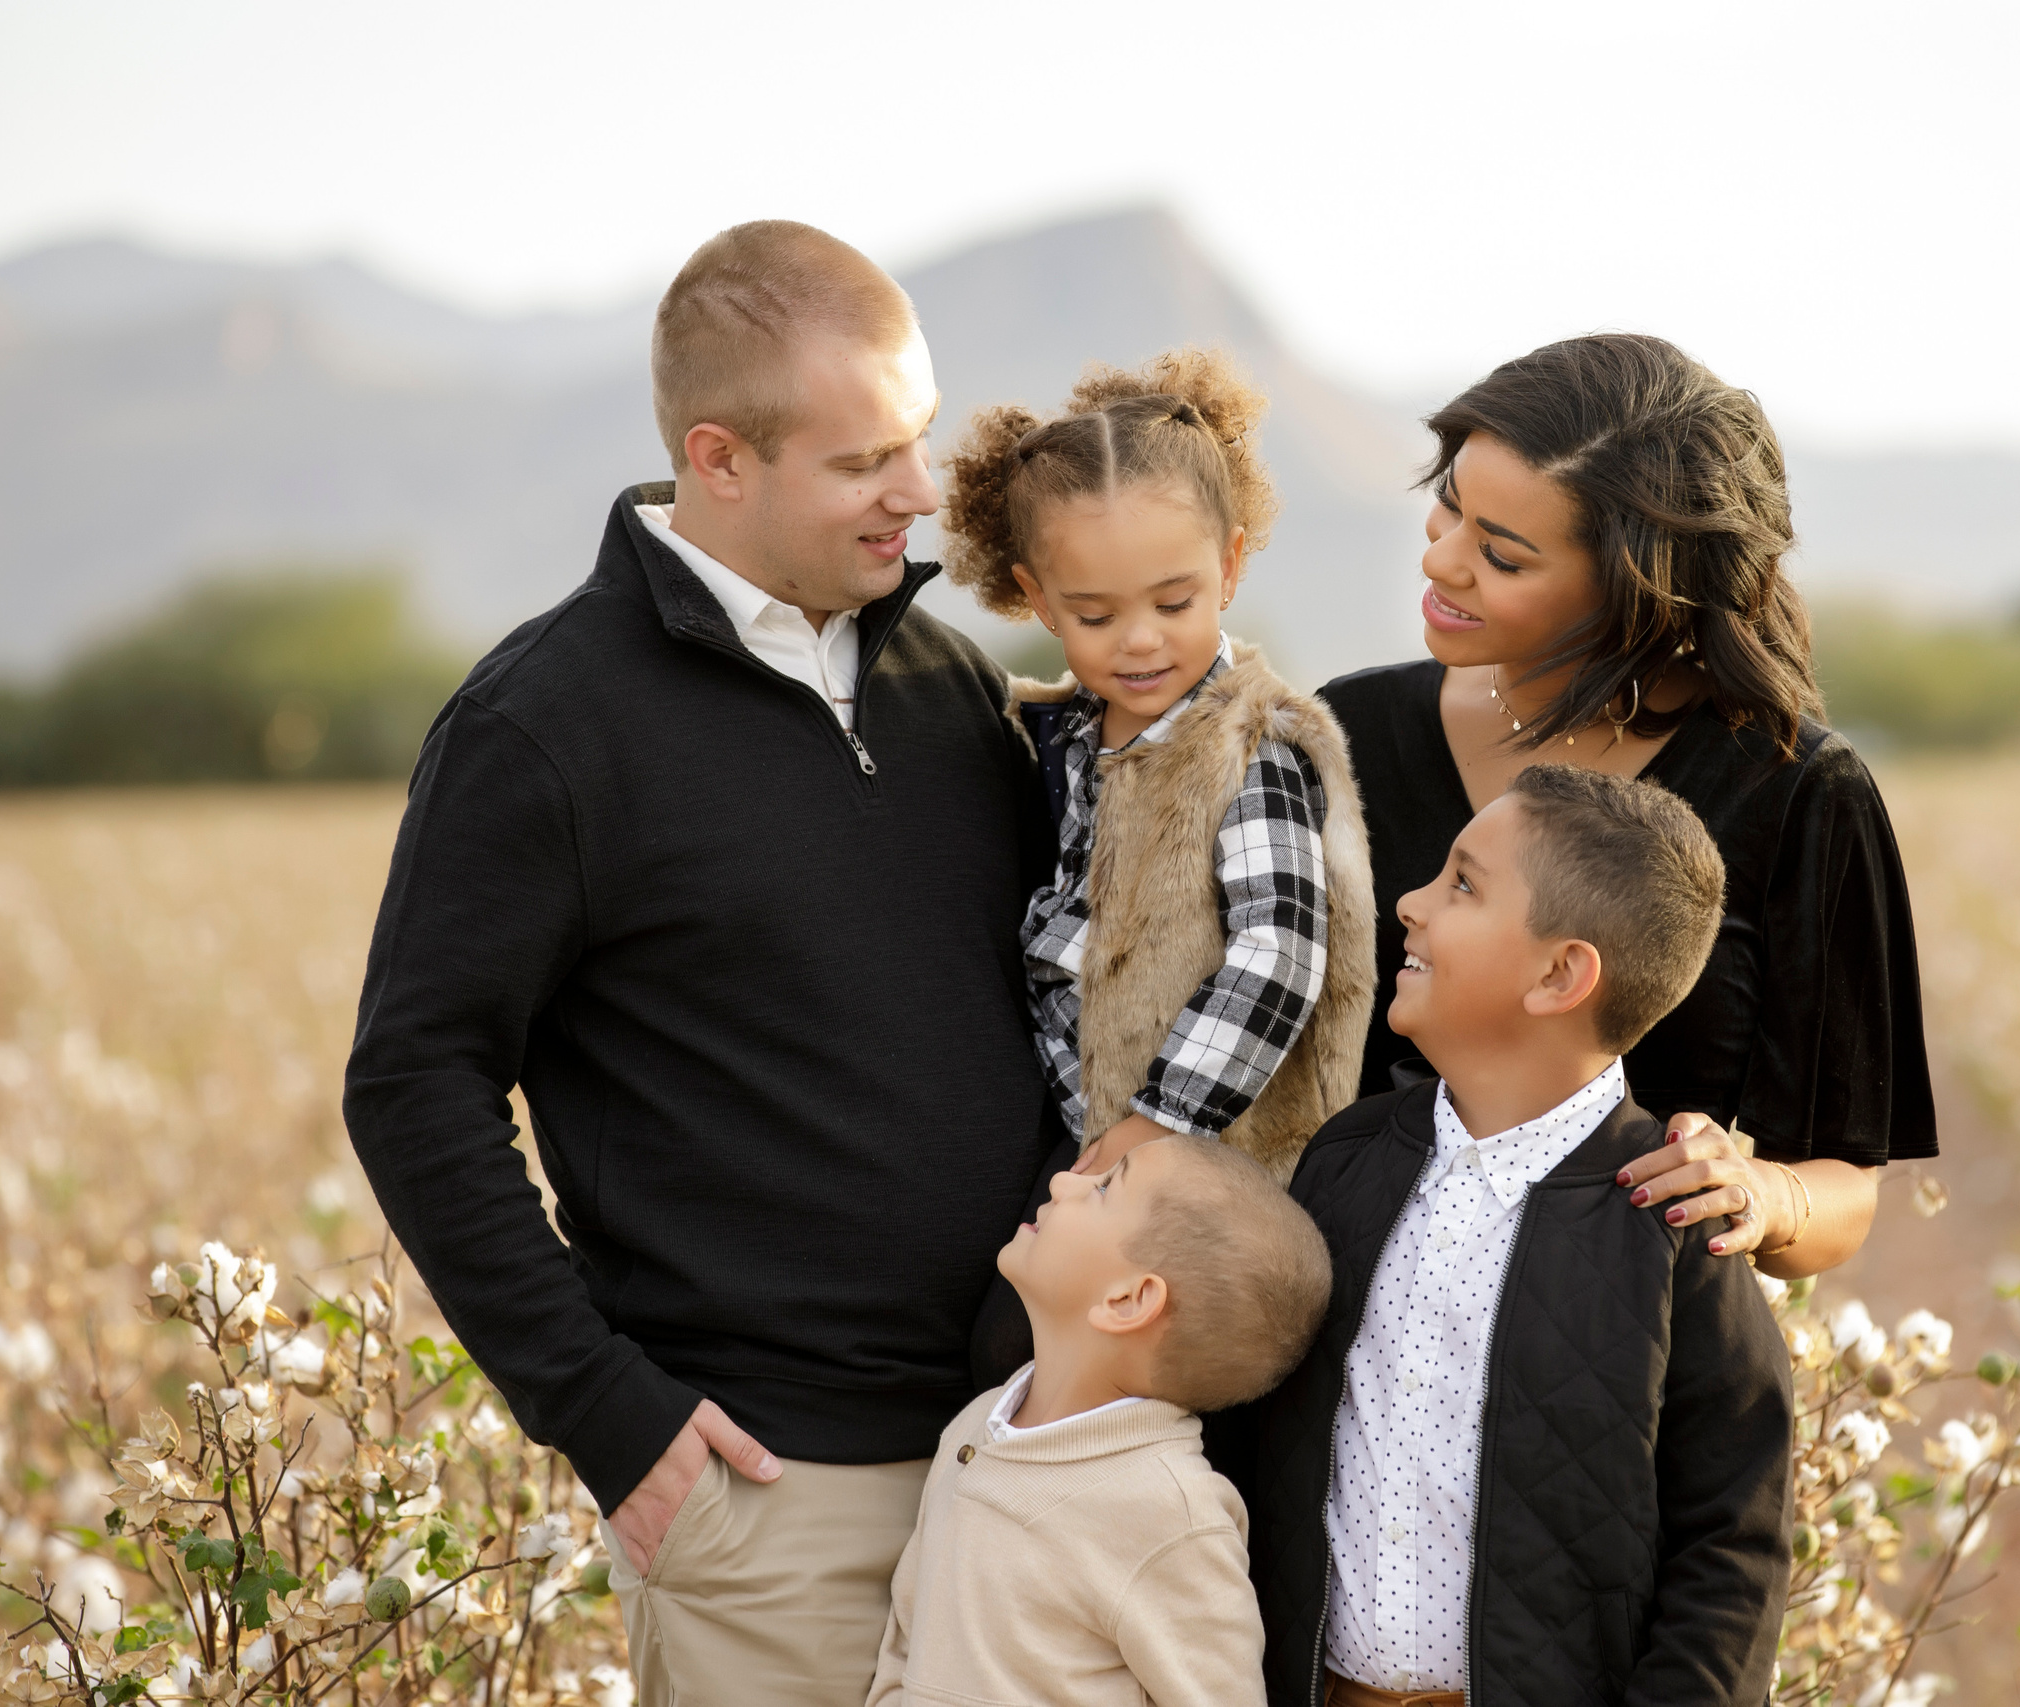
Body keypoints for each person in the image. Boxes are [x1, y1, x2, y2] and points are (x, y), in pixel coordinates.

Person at [342, 220, 1060, 1705]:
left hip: (1020, 1464)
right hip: (765, 1493)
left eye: (916, 443)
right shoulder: (543, 726)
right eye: (866, 461)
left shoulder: (948, 683)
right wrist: (606, 1411)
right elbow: (416, 1079)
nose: (917, 497)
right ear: (720, 459)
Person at [1316, 333, 1937, 1279]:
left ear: (1639, 591)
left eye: (1505, 557)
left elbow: (1844, 1183)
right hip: (1341, 1317)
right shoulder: (1344, 734)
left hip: (1614, 1351)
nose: (1442, 563)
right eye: (1448, 507)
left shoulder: (1796, 790)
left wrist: (1762, 1195)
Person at [1229, 765, 1794, 1707]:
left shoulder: (1671, 1219)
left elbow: (1733, 1534)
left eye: (1462, 882)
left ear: (1560, 974)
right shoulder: (1346, 1160)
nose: (1409, 902)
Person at [940, 348, 1375, 1184]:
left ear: (1231, 567)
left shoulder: (1252, 745)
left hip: (1209, 1169)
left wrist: (1161, 1118)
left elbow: (1278, 950)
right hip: (1078, 1150)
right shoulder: (1055, 738)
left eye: (1174, 603)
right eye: (1094, 614)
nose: (1140, 638)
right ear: (1039, 601)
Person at [869, 1136, 1330, 1707]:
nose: (1064, 1182)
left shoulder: (1171, 1513)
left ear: (1128, 1300)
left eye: (1106, 1186)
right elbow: (906, 1644)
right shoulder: (973, 1428)